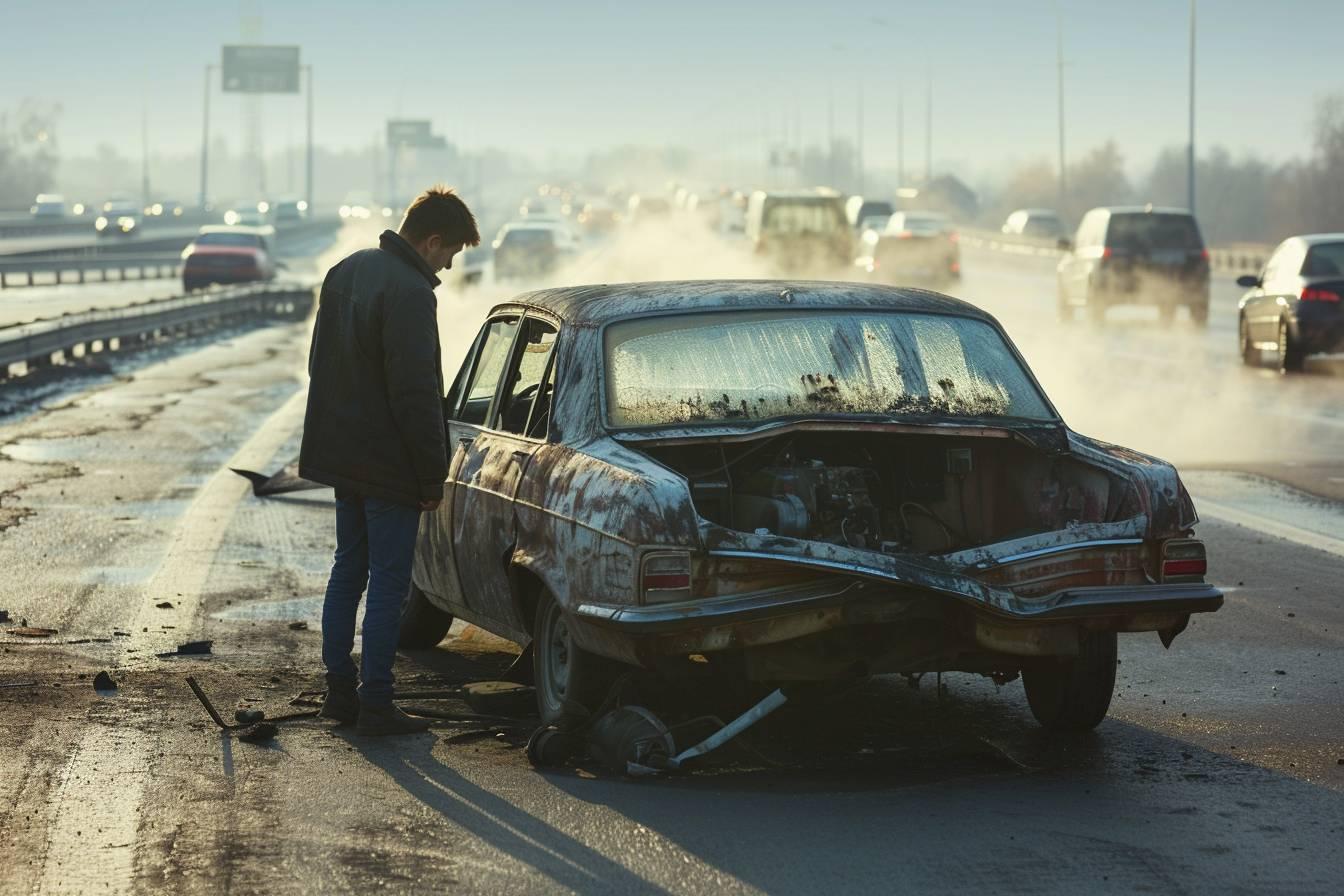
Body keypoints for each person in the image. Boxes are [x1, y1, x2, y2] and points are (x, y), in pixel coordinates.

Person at [300, 186, 480, 735]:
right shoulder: (409, 292)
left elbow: (317, 363)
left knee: (347, 568)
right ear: (430, 241)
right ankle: (376, 700)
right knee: (389, 580)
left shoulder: (344, 270)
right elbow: (415, 394)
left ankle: (339, 691)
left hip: (342, 455)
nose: (448, 266)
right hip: (389, 464)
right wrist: (433, 474)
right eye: (449, 254)